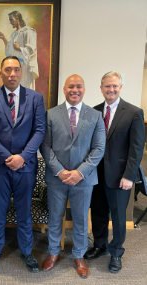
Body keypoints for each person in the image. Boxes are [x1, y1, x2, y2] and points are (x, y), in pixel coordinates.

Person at [0, 55, 45, 273]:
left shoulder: (36, 98)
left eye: (16, 69)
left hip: (25, 167)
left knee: (24, 211)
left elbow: (39, 131)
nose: (12, 74)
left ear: (22, 72)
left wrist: (22, 157)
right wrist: (8, 157)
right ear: (0, 72)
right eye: (8, 70)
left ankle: (27, 252)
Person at [40, 74, 105, 278]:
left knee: (80, 220)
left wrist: (79, 172)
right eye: (70, 86)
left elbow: (99, 148)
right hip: (56, 179)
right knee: (55, 217)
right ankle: (53, 252)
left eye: (78, 86)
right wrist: (60, 171)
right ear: (64, 89)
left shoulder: (95, 115)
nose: (74, 90)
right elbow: (45, 146)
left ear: (84, 89)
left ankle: (78, 255)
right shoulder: (50, 114)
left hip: (83, 180)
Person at [84, 71, 145, 273]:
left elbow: (136, 148)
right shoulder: (94, 111)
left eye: (115, 86)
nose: (111, 89)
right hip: (95, 175)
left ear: (120, 87)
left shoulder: (134, 113)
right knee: (99, 213)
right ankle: (100, 246)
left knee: (118, 217)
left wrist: (129, 175)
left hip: (121, 176)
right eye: (107, 86)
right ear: (101, 88)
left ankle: (116, 252)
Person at [0, 11, 38, 90]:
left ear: (17, 19)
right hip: (15, 68)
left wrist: (19, 48)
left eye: (11, 19)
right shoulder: (14, 34)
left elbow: (31, 51)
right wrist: (3, 38)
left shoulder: (29, 31)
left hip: (24, 67)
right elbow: (10, 53)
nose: (10, 22)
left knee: (25, 90)